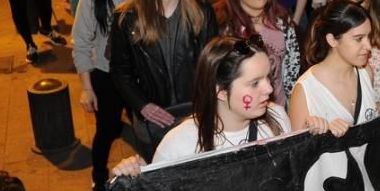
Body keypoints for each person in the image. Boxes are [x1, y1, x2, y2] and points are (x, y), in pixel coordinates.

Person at [113, 36, 291, 171]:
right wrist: (132, 175)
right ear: (220, 92)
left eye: (268, 77)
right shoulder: (180, 145)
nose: (269, 88)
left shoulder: (277, 118)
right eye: (254, 83)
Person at [109, 0, 218, 160]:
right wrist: (142, 105)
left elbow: (214, 65)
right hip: (154, 121)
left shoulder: (202, 11)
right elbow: (120, 71)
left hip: (196, 116)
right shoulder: (127, 18)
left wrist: (208, 106)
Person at [72, 0, 140, 191]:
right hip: (106, 74)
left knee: (148, 127)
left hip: (141, 75)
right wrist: (86, 88)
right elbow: (80, 44)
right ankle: (99, 176)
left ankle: (151, 173)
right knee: (107, 129)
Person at [214, 0, 302, 104]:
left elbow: (292, 75)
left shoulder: (283, 22)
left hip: (278, 112)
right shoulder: (225, 29)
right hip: (243, 111)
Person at [290, 0, 378, 137]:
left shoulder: (366, 73)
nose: (368, 46)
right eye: (358, 39)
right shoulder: (305, 90)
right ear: (332, 40)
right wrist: (321, 133)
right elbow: (295, 153)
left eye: (369, 36)